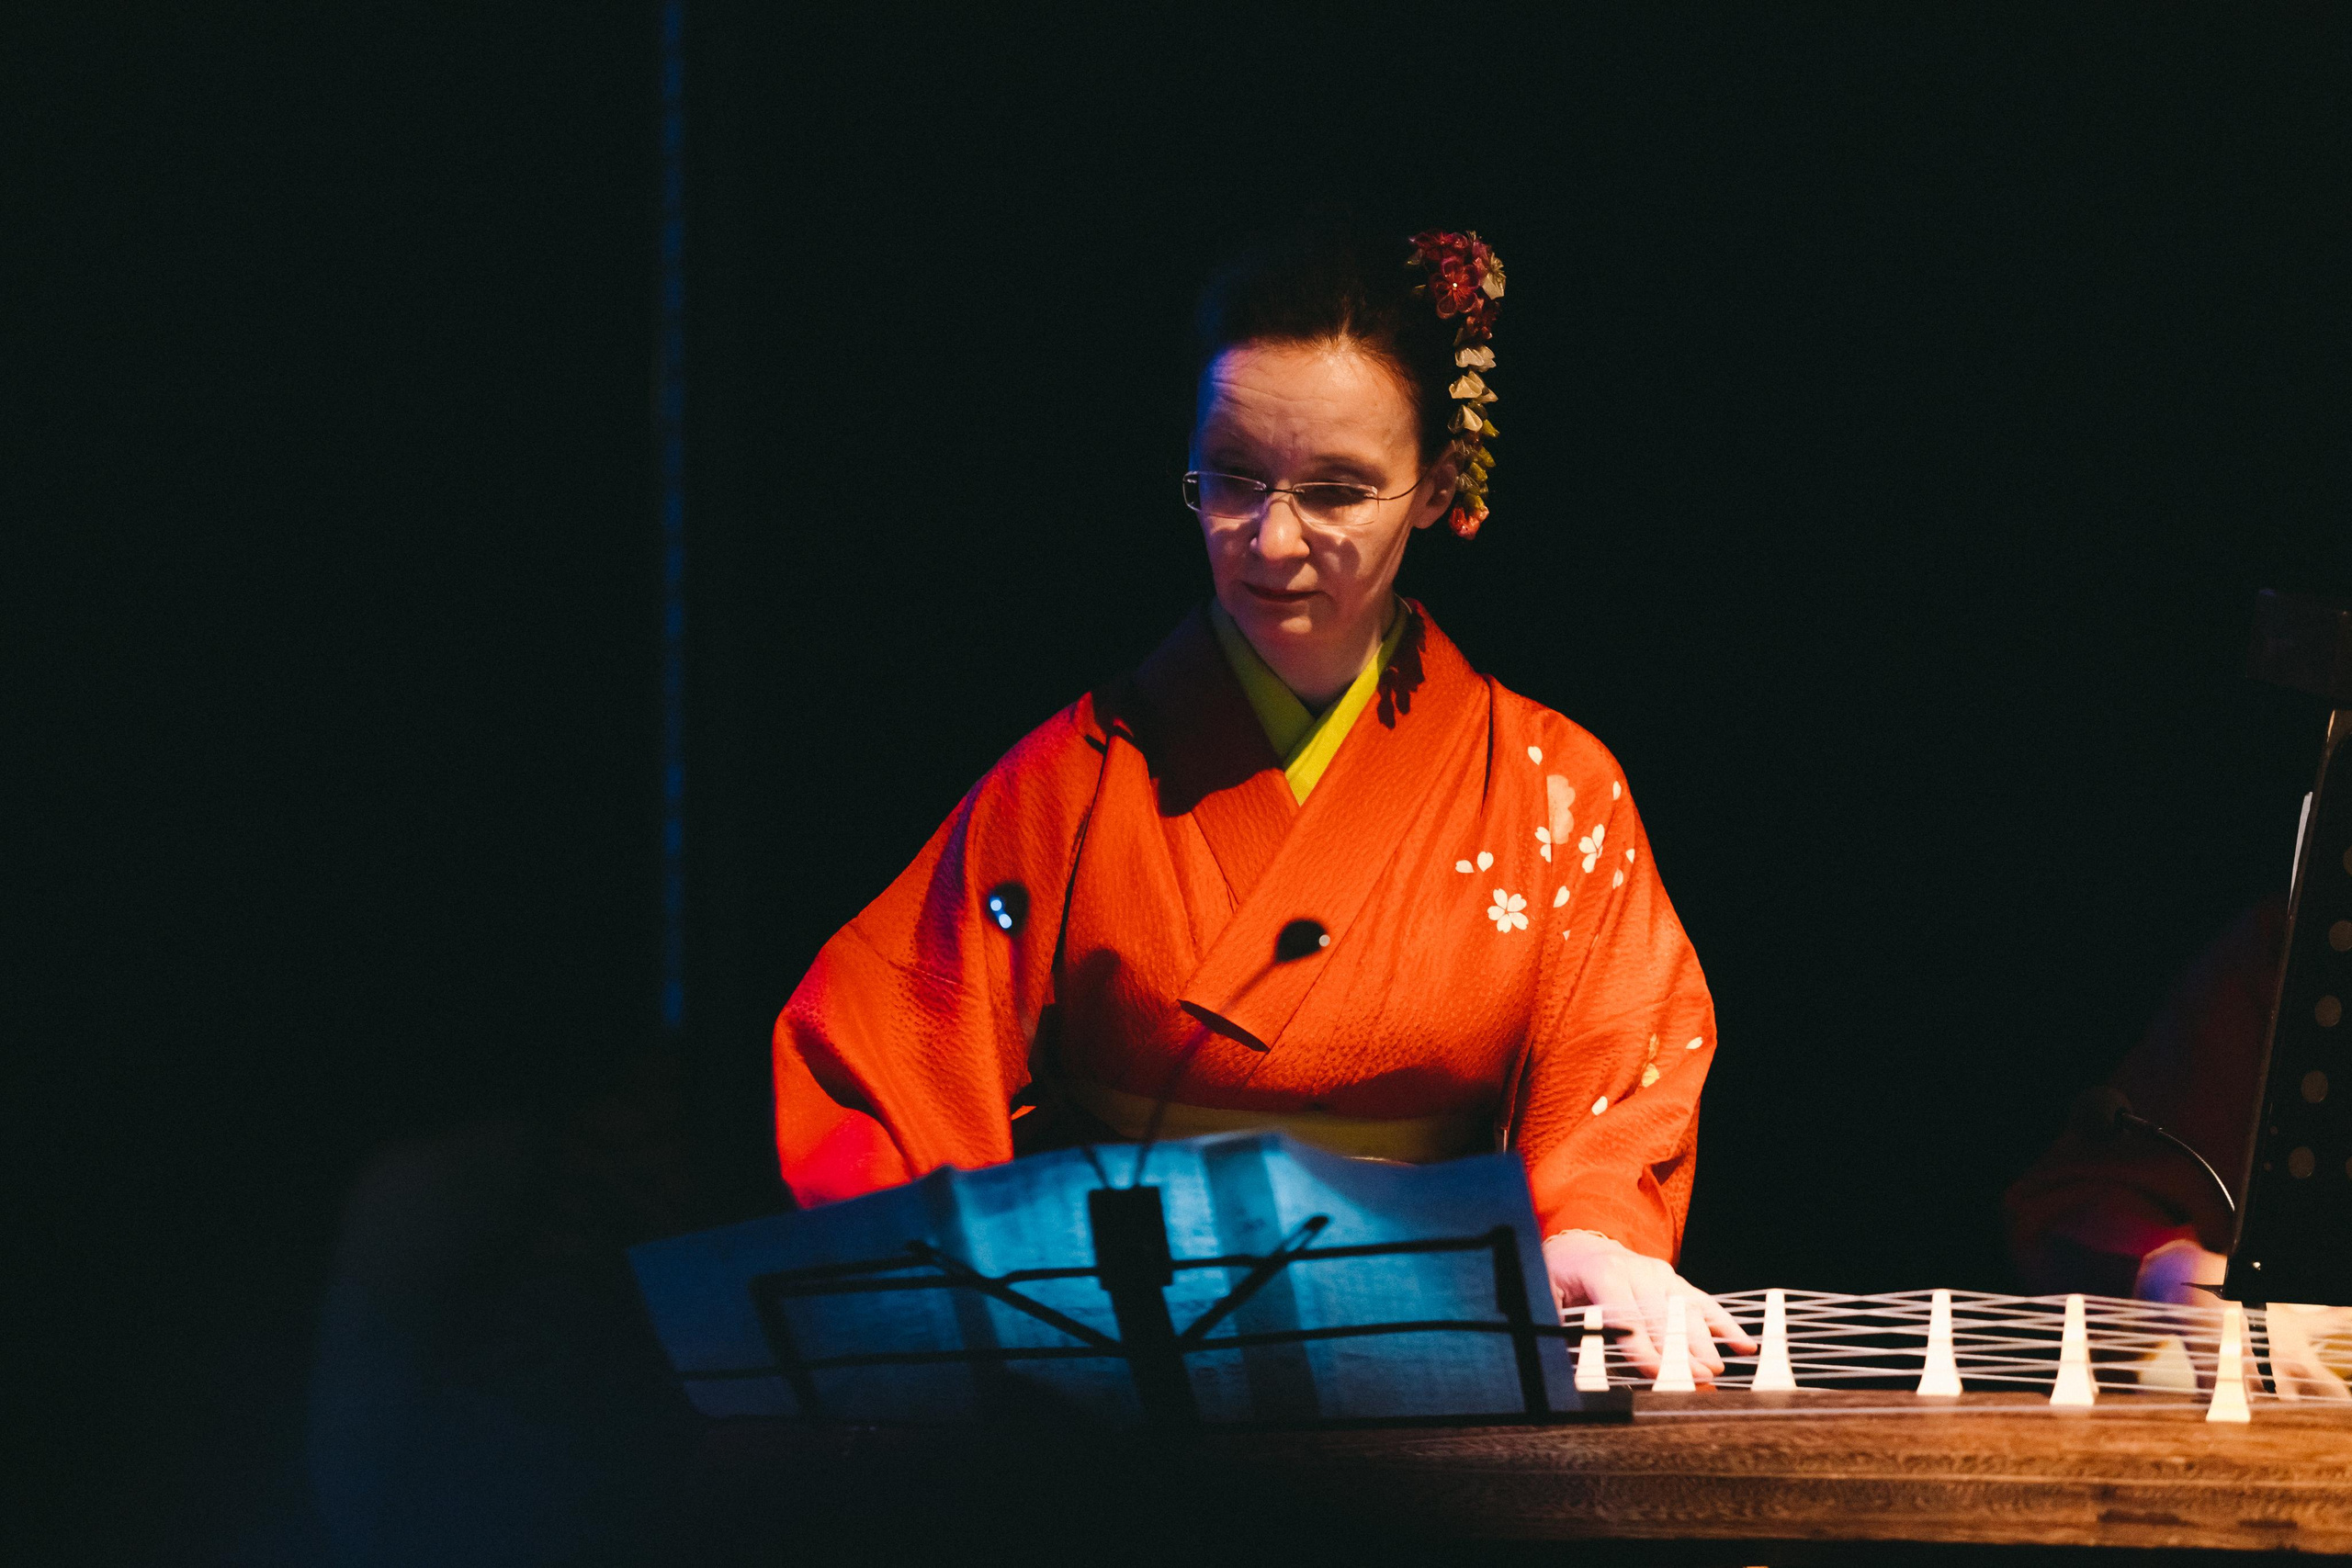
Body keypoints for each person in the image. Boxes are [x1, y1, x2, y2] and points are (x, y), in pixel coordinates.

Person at [771, 223, 1753, 1379]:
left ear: (1437, 487)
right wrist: (957, 1296)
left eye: (1337, 491)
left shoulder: (1550, 789)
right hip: (1118, 1345)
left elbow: (1614, 1072)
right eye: (1233, 479)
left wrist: (1590, 1230)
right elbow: (895, 1037)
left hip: (1440, 1355)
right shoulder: (1069, 782)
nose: (1271, 539)